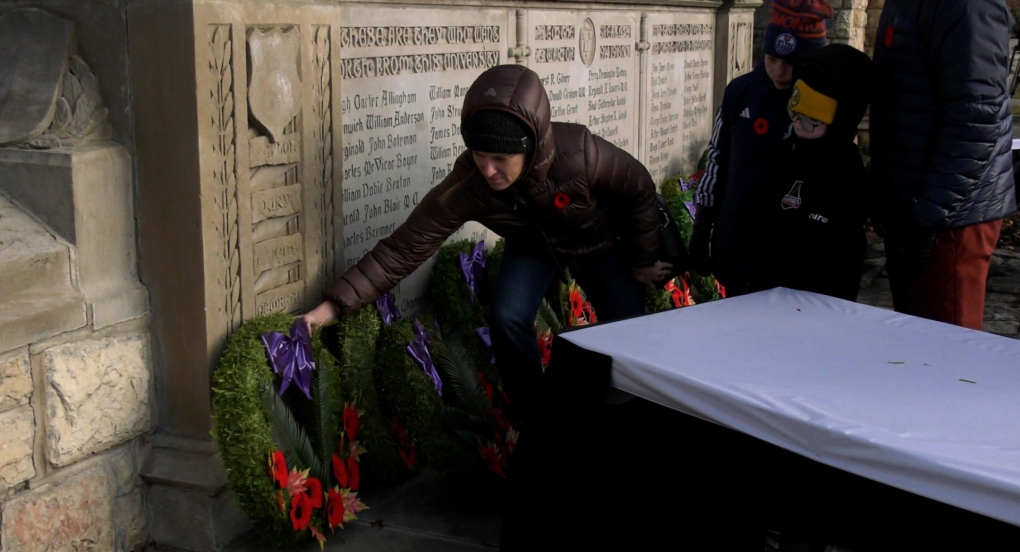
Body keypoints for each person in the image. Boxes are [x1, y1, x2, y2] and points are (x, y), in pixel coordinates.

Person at [302, 64, 671, 425]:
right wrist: (328, 310)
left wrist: (643, 258)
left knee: (627, 330)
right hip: (533, 246)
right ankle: (536, 422)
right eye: (479, 155)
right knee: (507, 316)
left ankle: (628, 422)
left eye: (500, 158)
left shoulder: (582, 154)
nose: (488, 170)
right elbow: (404, 246)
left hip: (599, 242)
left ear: (531, 146)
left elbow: (638, 189)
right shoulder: (470, 184)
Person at [870, 0, 1017, 330]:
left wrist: (928, 218)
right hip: (914, 208)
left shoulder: (967, 6)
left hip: (949, 220)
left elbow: (976, 119)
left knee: (948, 361)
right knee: (912, 351)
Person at [690, 0, 833, 296]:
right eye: (771, 59)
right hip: (736, 235)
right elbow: (718, 157)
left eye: (791, 63)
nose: (779, 72)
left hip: (788, 245)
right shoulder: (741, 91)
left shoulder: (821, 104)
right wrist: (702, 227)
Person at [747, 43, 874, 301]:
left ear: (839, 120)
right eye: (795, 115)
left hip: (817, 292)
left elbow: (826, 240)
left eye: (811, 120)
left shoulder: (843, 169)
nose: (799, 126)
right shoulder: (789, 151)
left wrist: (785, 275)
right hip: (770, 286)